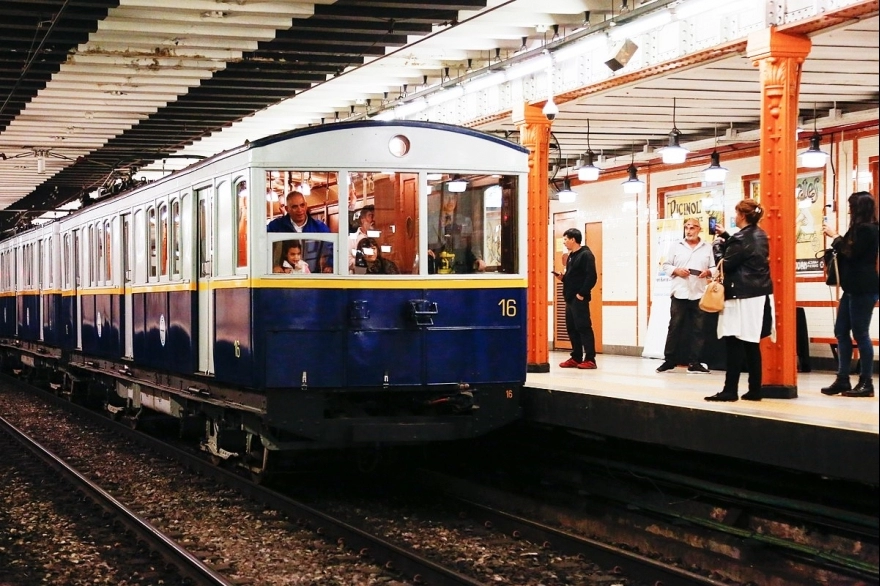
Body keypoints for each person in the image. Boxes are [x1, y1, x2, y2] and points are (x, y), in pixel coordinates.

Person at [705, 198, 774, 402]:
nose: (735, 217)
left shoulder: (739, 239)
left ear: (743, 215)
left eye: (736, 213)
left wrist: (718, 246)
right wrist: (727, 235)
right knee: (751, 343)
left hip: (739, 295)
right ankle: (755, 389)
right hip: (759, 295)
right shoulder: (761, 235)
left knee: (733, 342)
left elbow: (725, 264)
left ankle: (730, 390)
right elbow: (746, 251)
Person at [820, 191, 879, 398]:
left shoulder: (869, 230)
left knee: (860, 333)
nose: (848, 210)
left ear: (859, 208)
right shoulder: (857, 229)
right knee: (841, 330)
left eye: (851, 206)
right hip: (852, 287)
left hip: (864, 287)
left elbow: (851, 253)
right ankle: (842, 378)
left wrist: (835, 236)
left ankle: (866, 382)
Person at [656, 218, 715, 374]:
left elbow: (714, 267)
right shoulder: (676, 246)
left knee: (699, 329)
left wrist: (708, 272)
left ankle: (694, 362)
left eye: (693, 227)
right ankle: (669, 360)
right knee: (674, 327)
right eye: (687, 227)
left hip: (699, 292)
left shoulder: (707, 247)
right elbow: (666, 265)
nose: (689, 231)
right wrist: (676, 271)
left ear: (699, 229)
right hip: (679, 292)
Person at [554, 228, 598, 369]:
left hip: (579, 299)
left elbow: (592, 277)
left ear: (573, 239)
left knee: (583, 327)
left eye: (566, 239)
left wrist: (582, 293)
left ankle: (590, 359)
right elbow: (573, 277)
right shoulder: (571, 256)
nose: (565, 242)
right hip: (569, 298)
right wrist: (562, 277)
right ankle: (576, 357)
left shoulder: (586, 255)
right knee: (572, 328)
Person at [430, 191, 485, 273]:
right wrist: (425, 251)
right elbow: (423, 241)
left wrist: (478, 258)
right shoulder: (430, 220)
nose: (450, 201)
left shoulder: (465, 221)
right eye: (447, 198)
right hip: (438, 265)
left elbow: (473, 243)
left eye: (453, 198)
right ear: (440, 199)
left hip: (460, 266)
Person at [349, 205, 375, 271]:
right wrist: (365, 263)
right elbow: (348, 261)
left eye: (375, 216)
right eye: (370, 216)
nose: (373, 219)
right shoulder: (352, 239)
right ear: (362, 220)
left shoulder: (381, 237)